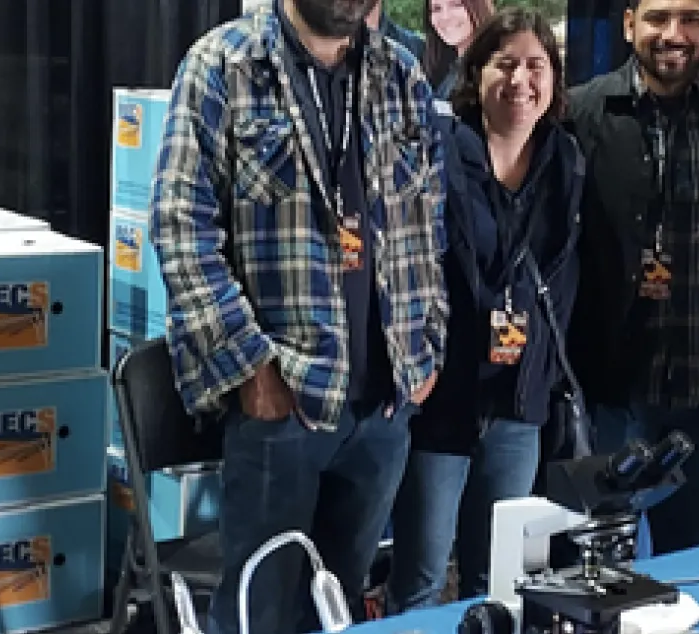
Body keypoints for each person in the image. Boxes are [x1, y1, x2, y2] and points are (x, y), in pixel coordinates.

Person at [149, 0, 446, 631]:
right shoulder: (221, 64)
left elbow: (430, 219)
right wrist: (252, 369)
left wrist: (429, 342)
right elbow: (180, 228)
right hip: (283, 401)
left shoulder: (403, 74)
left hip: (384, 408)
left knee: (340, 612)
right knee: (261, 613)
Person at [566, 0, 699, 556]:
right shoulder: (582, 114)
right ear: (628, 25)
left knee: (690, 558)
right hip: (613, 389)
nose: (673, 34)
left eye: (690, 19)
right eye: (658, 18)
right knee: (600, 556)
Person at [387, 8, 585, 612]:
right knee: (421, 576)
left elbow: (570, 274)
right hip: (441, 398)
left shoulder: (568, 162)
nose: (521, 80)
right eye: (505, 64)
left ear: (553, 80)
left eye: (536, 65)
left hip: (521, 403)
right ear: (478, 74)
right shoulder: (440, 151)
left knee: (499, 580)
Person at [424, 0, 498, 96]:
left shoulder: (490, 71)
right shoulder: (449, 68)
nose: (445, 17)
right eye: (436, 9)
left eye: (456, 5)